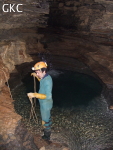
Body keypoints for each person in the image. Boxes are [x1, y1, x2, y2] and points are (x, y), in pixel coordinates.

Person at [27, 61, 53, 141]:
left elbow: (48, 96)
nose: (37, 74)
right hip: (43, 103)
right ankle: (47, 125)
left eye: (38, 72)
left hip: (46, 104)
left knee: (45, 120)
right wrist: (37, 76)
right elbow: (42, 81)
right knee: (46, 117)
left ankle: (47, 136)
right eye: (36, 72)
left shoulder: (48, 81)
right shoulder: (44, 77)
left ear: (44, 71)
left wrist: (34, 95)